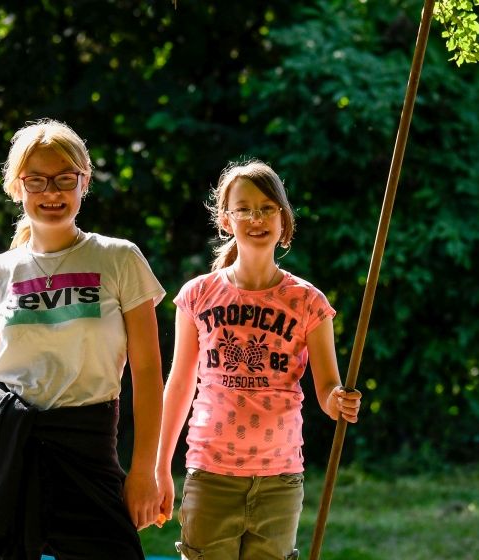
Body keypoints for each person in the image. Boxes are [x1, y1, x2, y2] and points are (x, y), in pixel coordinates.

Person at [0, 119, 165, 559]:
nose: (51, 192)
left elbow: (148, 370)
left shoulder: (119, 258)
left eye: (64, 179)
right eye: (36, 180)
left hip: (86, 442)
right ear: (18, 187)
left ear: (84, 182)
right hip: (0, 442)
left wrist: (144, 470)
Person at [155, 159, 363, 560]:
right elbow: (179, 384)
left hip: (280, 479)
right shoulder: (197, 295)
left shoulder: (308, 302)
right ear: (226, 219)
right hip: (211, 473)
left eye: (268, 208)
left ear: (284, 220)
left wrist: (339, 401)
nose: (257, 217)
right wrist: (160, 465)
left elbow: (325, 388)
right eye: (244, 208)